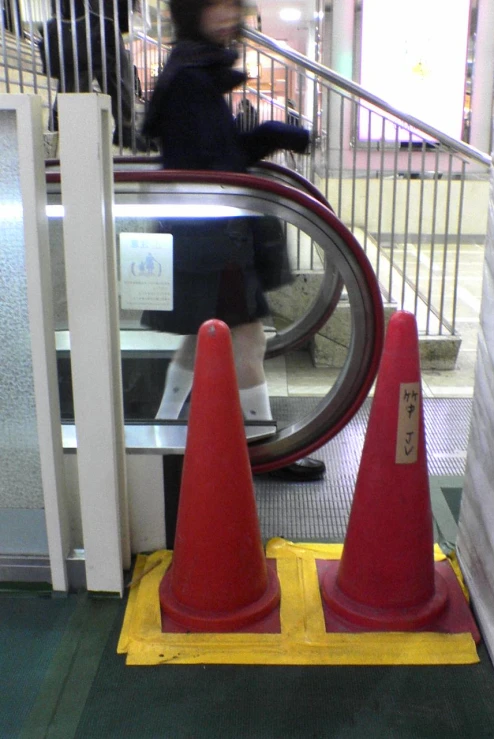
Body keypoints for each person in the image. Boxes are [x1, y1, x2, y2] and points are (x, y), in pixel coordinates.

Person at [141, 0, 325, 481]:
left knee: (199, 335)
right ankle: (263, 449)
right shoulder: (193, 79)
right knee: (247, 338)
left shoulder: (190, 70)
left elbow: (214, 154)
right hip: (214, 233)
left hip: (198, 230)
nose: (228, 17)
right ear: (191, 13)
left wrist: (267, 136)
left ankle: (164, 424)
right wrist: (267, 136)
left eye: (233, 7)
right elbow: (212, 164)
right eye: (216, 7)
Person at [39, 0, 153, 151]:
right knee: (85, 73)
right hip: (86, 18)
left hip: (96, 17)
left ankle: (123, 128)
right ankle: (122, 128)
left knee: (105, 72)